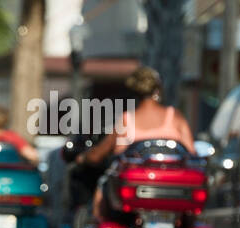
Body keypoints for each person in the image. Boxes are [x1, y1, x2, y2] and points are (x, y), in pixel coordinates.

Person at [78, 66, 195, 217]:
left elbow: (98, 154)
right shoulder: (175, 117)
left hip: (132, 197)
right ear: (158, 90)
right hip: (175, 194)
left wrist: (83, 157)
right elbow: (192, 152)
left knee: (102, 186)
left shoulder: (127, 121)